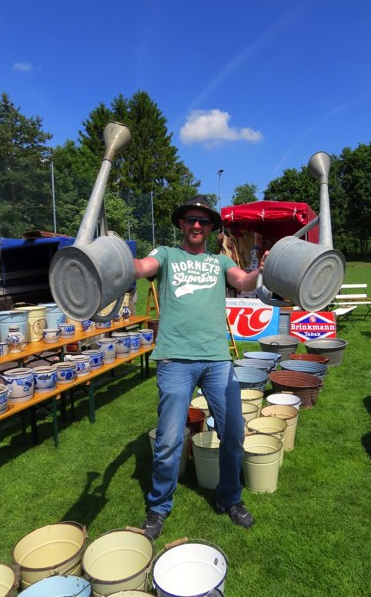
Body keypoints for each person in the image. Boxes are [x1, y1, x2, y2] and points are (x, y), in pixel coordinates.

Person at [133, 195, 267, 539]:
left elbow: (244, 281)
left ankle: (230, 498)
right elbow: (141, 268)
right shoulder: (166, 254)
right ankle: (159, 506)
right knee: (168, 440)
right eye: (191, 219)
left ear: (210, 228)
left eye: (203, 221)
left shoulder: (220, 261)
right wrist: (117, 259)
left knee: (233, 433)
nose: (196, 225)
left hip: (217, 360)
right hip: (175, 359)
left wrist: (261, 271)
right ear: (181, 224)